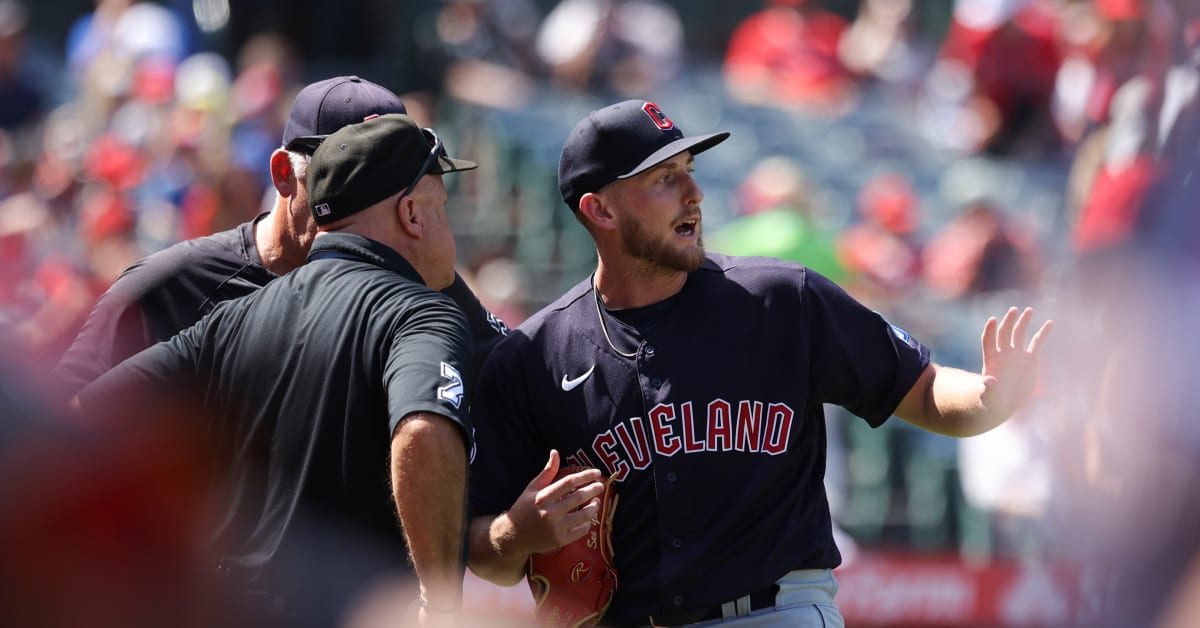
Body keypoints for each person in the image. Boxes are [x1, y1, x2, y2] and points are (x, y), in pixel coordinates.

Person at [465, 99, 1053, 626]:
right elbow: (484, 554)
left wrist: (986, 398)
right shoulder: (536, 356)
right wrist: (519, 532)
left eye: (690, 173)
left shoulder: (781, 298)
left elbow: (923, 390)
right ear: (601, 210)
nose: (694, 193)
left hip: (776, 611)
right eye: (665, 178)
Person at [74, 113, 479, 628]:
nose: (449, 228)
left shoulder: (232, 318)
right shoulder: (420, 312)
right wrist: (439, 607)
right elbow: (422, 433)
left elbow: (85, 417)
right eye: (441, 207)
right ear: (412, 216)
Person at [52, 75, 507, 401]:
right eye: (343, 178)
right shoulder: (175, 283)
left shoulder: (419, 281)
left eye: (387, 185)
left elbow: (517, 370)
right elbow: (59, 420)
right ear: (284, 174)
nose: (367, 204)